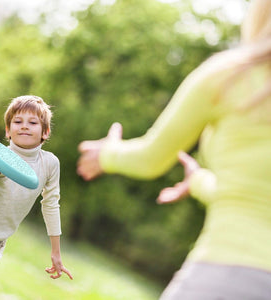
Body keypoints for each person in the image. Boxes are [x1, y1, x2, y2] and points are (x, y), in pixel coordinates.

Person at [77, 0, 271, 298]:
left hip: (229, 273)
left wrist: (108, 153)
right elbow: (250, 195)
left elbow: (150, 159)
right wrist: (197, 181)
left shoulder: (232, 77)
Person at [0, 95, 72, 296]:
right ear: (8, 130)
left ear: (45, 132)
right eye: (18, 122)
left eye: (32, 122)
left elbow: (51, 205)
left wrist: (56, 252)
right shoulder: (1, 158)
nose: (24, 126)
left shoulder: (50, 163)